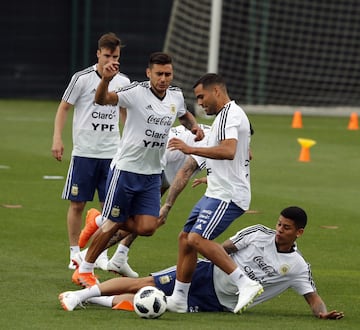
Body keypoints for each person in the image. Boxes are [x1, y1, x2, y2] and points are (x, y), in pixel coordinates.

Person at [58, 206, 344, 320]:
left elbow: (313, 297)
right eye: (279, 224)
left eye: (287, 227)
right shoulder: (258, 233)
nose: (279, 230)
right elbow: (220, 249)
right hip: (206, 273)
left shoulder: (297, 266)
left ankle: (91, 300)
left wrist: (322, 313)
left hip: (218, 303)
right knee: (144, 284)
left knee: (150, 301)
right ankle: (81, 293)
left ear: (299, 232)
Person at [71, 52, 204, 288]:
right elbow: (102, 100)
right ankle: (85, 269)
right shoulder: (135, 92)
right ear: (148, 73)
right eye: (159, 74)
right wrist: (105, 80)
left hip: (152, 174)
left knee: (148, 227)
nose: (164, 78)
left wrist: (194, 128)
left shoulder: (175, 95)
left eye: (168, 74)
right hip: (126, 170)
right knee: (114, 222)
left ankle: (98, 218)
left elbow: (183, 114)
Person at [164, 73, 262, 314]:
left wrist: (189, 147)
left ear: (216, 91)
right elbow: (197, 163)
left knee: (197, 239)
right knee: (185, 238)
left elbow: (229, 151)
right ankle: (179, 298)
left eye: (201, 96)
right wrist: (167, 206)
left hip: (229, 195)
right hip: (215, 192)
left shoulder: (231, 113)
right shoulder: (219, 120)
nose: (200, 103)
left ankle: (245, 283)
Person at [73, 124, 211, 274]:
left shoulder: (222, 134)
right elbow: (185, 172)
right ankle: (87, 252)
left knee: (144, 216)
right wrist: (168, 205)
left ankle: (119, 256)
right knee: (139, 218)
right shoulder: (213, 140)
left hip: (162, 165)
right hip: (150, 163)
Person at [51, 32, 132, 270]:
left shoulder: (124, 82)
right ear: (98, 53)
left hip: (112, 155)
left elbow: (127, 114)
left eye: (115, 56)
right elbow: (64, 107)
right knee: (77, 204)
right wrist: (57, 138)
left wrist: (128, 142)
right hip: (84, 152)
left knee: (110, 207)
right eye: (107, 55)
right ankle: (74, 252)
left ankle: (99, 253)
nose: (111, 61)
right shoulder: (82, 78)